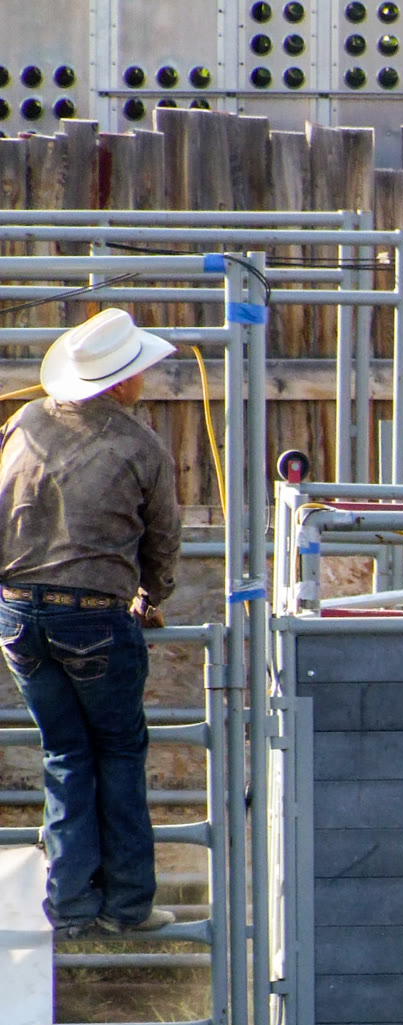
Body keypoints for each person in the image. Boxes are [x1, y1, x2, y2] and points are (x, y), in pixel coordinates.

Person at [0, 309, 180, 940]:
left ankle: (71, 905)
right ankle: (126, 906)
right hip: (96, 615)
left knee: (65, 753)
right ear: (122, 380)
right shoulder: (140, 445)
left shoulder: (24, 424)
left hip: (18, 611)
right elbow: (162, 541)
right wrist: (152, 596)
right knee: (120, 752)